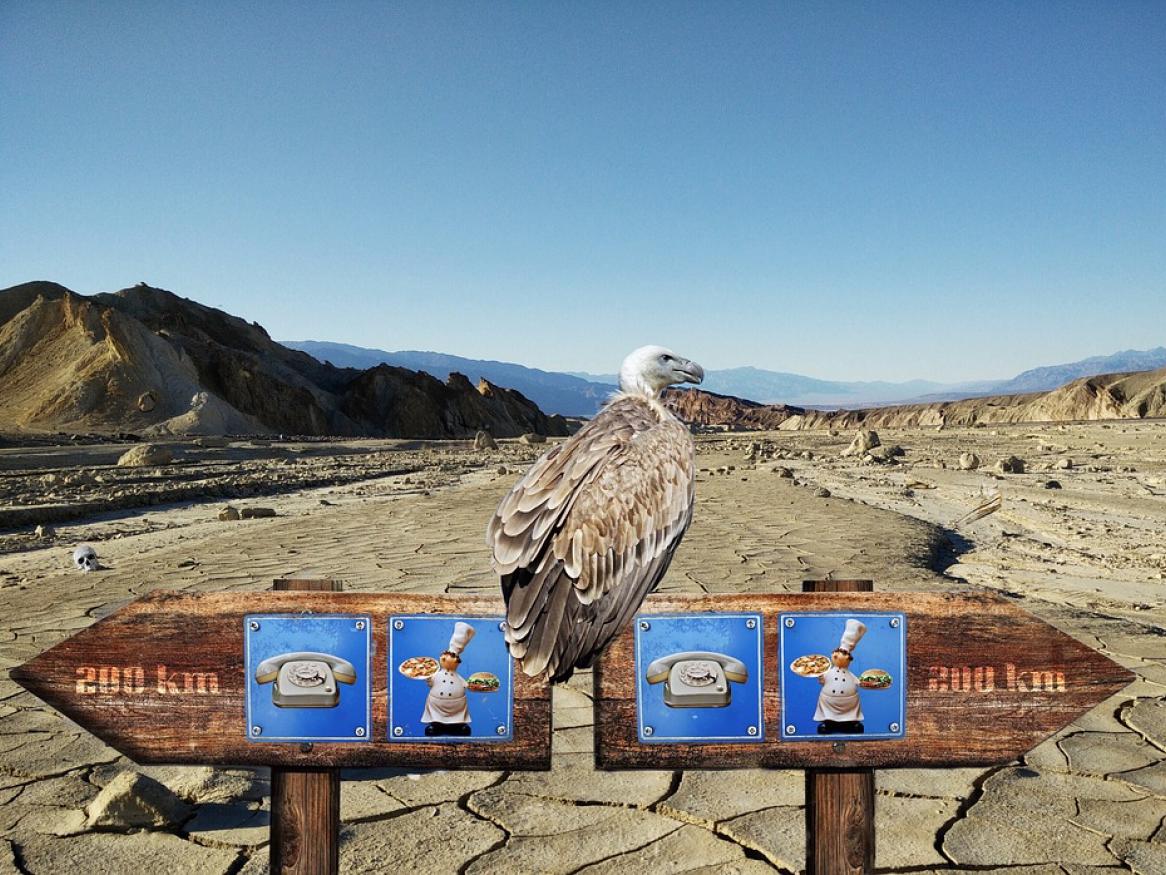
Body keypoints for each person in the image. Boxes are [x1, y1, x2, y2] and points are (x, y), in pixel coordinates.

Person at [421, 622, 475, 736]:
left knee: (458, 719)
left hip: (457, 706)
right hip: (437, 704)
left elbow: (466, 684)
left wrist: (471, 685)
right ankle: (436, 726)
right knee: (436, 718)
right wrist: (429, 677)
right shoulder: (437, 674)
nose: (445, 659)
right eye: (444, 657)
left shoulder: (458, 677)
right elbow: (431, 682)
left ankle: (458, 726)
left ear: (457, 661)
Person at [814, 619, 866, 734]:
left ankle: (850, 723)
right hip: (829, 702)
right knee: (828, 717)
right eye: (836, 653)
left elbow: (858, 682)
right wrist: (821, 677)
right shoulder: (828, 672)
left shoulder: (850, 675)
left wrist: (864, 683)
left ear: (849, 659)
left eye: (843, 654)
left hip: (849, 705)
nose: (838, 656)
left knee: (851, 720)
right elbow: (823, 680)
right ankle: (829, 723)